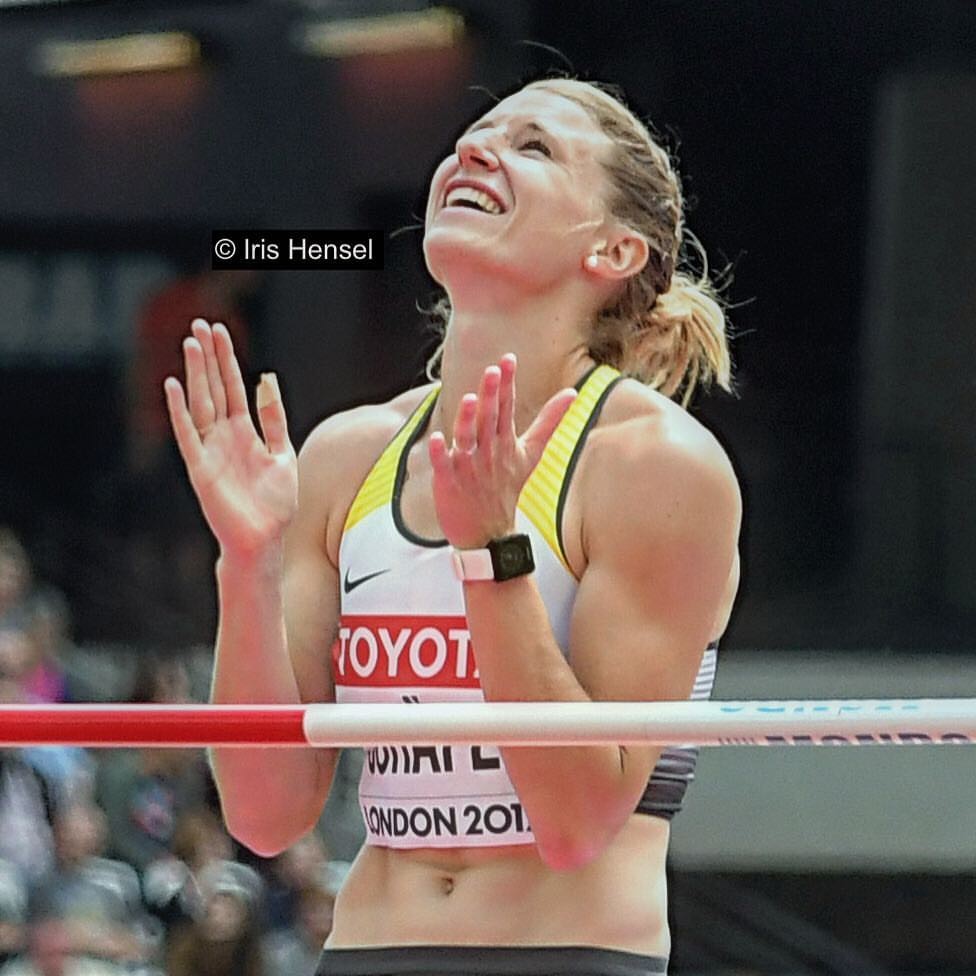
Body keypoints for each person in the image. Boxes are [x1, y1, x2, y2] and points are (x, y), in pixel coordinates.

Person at [164, 76, 741, 976]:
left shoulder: (657, 466)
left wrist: (491, 554)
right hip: (367, 950)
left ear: (615, 249)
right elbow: (267, 815)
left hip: (567, 955)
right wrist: (245, 565)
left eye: (533, 146)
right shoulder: (347, 456)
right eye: (476, 134)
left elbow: (576, 822)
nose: (474, 150)